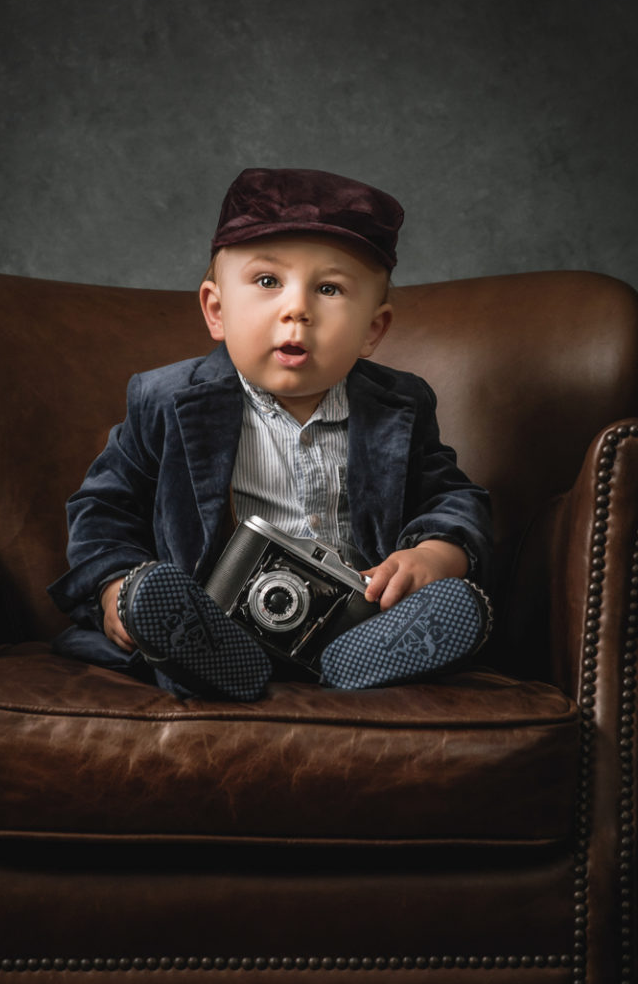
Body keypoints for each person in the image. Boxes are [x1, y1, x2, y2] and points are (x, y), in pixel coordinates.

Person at [48, 167, 493, 701]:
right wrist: (114, 588)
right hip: (215, 620)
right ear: (216, 310)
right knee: (150, 601)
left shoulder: (400, 405)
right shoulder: (164, 400)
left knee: (463, 605)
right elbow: (103, 510)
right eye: (267, 282)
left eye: (329, 288)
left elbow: (451, 496)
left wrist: (437, 554)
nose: (297, 309)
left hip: (353, 625)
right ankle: (196, 648)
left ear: (373, 330)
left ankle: (355, 662)